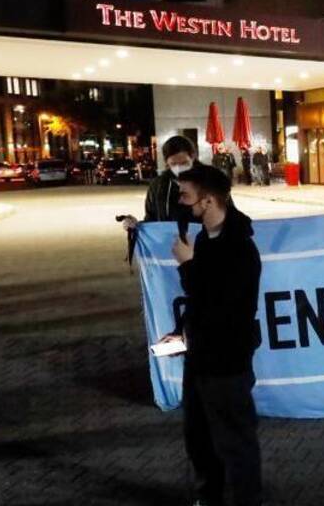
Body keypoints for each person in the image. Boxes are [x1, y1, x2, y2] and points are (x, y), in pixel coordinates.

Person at [158, 163, 263, 506]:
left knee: (235, 441)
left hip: (227, 362)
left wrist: (188, 265)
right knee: (199, 439)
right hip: (200, 358)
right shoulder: (204, 239)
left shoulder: (240, 248)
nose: (183, 204)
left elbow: (221, 303)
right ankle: (209, 497)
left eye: (187, 196)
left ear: (208, 202)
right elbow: (200, 302)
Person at [121, 135, 197, 231]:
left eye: (184, 163)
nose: (179, 168)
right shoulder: (157, 186)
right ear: (166, 163)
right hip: (167, 243)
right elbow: (151, 220)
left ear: (193, 157)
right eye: (174, 164)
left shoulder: (209, 184)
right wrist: (136, 225)